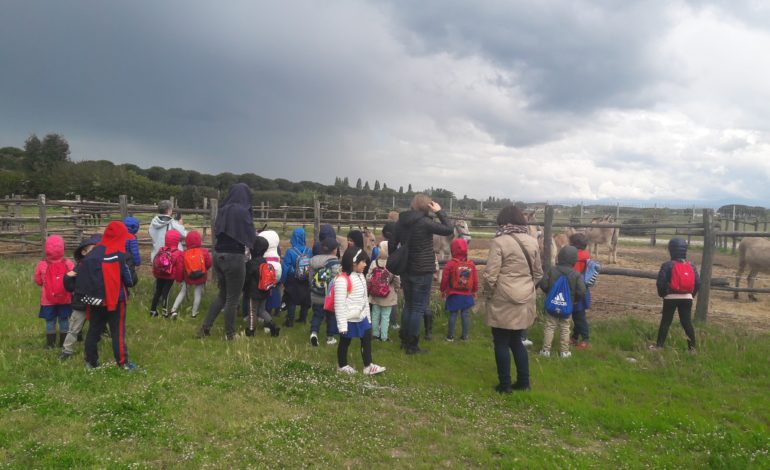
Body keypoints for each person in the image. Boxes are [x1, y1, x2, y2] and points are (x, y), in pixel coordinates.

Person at [482, 205, 543, 393]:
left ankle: (505, 384)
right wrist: (527, 287)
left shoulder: (499, 242)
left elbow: (490, 275)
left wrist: (489, 294)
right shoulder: (532, 242)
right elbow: (539, 273)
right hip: (525, 297)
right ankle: (524, 382)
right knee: (517, 341)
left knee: (500, 342)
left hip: (502, 297)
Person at [394, 194, 453, 354]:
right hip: (422, 269)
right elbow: (448, 229)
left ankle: (404, 340)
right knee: (418, 307)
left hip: (406, 268)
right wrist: (440, 212)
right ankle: (412, 346)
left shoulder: (401, 221)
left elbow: (393, 243)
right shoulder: (425, 222)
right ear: (428, 206)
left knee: (409, 305)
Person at [198, 183, 257, 340]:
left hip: (218, 255)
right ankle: (230, 335)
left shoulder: (223, 210)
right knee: (233, 298)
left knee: (223, 295)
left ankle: (205, 327)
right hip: (234, 257)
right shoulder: (243, 212)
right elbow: (250, 237)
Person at [77, 221, 137, 369]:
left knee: (94, 330)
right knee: (118, 332)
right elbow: (129, 280)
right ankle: (123, 363)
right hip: (117, 299)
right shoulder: (119, 255)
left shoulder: (92, 254)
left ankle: (91, 362)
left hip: (95, 300)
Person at [334, 247, 386, 375]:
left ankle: (368, 365)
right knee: (345, 341)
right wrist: (342, 325)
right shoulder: (342, 280)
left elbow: (364, 299)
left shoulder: (361, 277)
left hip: (361, 317)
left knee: (366, 338)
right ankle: (342, 365)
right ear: (353, 262)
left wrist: (367, 317)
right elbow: (339, 305)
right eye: (362, 261)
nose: (365, 264)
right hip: (349, 318)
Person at [652, 238, 700, 352]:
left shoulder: (667, 265)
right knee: (687, 323)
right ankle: (692, 349)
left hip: (670, 297)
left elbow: (660, 283)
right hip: (687, 298)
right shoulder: (692, 265)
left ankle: (659, 346)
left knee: (665, 322)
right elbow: (698, 283)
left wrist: (663, 294)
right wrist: (691, 295)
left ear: (671, 250)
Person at [539, 246, 586, 359]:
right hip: (567, 306)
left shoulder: (552, 270)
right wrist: (575, 300)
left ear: (559, 257)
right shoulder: (576, 275)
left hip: (552, 304)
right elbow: (582, 290)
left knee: (550, 326)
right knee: (565, 327)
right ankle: (564, 352)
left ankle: (546, 350)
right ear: (574, 260)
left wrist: (549, 293)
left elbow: (543, 284)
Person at [60, 234, 101, 361]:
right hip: (80, 303)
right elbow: (70, 286)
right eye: (92, 250)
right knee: (74, 327)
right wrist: (68, 277)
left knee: (96, 327)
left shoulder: (100, 266)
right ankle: (67, 350)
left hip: (95, 302)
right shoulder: (80, 266)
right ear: (83, 252)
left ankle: (92, 348)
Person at [33, 235, 75, 349]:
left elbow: (37, 280)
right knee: (64, 320)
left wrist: (45, 284)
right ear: (62, 248)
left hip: (47, 300)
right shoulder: (68, 263)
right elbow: (74, 278)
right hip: (65, 298)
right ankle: (63, 343)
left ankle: (50, 344)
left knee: (50, 321)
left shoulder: (42, 264)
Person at [439, 238, 478, 342]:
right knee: (465, 314)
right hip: (467, 294)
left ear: (453, 249)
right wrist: (474, 291)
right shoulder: (471, 264)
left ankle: (450, 337)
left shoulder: (450, 264)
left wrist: (443, 290)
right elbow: (475, 280)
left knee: (453, 314)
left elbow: (444, 279)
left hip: (453, 293)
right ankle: (465, 337)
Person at [243, 235, 281, 337]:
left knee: (252, 311)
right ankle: (273, 326)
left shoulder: (251, 264)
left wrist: (243, 288)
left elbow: (246, 278)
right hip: (265, 290)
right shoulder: (265, 262)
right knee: (262, 310)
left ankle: (251, 330)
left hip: (254, 292)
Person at [170, 230, 212, 319]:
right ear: (199, 240)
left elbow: (180, 268)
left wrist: (179, 279)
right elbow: (208, 263)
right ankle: (194, 314)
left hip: (188, 277)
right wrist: (203, 271)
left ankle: (173, 310)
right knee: (197, 294)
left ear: (187, 241)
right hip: (200, 276)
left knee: (182, 292)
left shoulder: (184, 253)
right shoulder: (204, 251)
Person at [308, 237, 341, 346]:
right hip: (329, 296)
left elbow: (311, 277)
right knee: (331, 316)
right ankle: (330, 337)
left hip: (316, 293)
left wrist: (313, 288)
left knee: (317, 315)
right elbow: (337, 279)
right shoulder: (334, 261)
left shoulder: (313, 259)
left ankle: (314, 333)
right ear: (334, 250)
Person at [367, 241, 400, 342]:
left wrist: (370, 286)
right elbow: (397, 279)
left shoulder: (374, 263)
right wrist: (397, 288)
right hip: (388, 294)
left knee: (375, 314)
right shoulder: (393, 263)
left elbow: (368, 277)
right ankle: (384, 337)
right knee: (385, 316)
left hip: (375, 293)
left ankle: (375, 334)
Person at [150, 229, 184, 318]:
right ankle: (165, 312)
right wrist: (179, 278)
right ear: (177, 240)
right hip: (170, 276)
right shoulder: (178, 253)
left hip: (160, 274)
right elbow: (180, 268)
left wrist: (155, 273)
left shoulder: (161, 250)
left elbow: (156, 262)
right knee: (166, 293)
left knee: (158, 291)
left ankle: (153, 310)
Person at [281, 227, 312, 327]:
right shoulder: (309, 251)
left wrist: (283, 280)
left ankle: (290, 320)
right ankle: (303, 318)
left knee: (291, 300)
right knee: (305, 299)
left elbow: (286, 267)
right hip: (306, 278)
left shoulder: (290, 252)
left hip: (293, 280)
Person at [569, 233, 592, 349]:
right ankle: (574, 337)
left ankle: (585, 339)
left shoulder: (575, 257)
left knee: (579, 316)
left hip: (576, 290)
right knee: (577, 314)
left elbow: (572, 273)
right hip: (583, 289)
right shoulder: (585, 254)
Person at [260, 230, 284, 320]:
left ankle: (264, 315)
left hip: (265, 275)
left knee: (264, 296)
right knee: (273, 293)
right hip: (276, 274)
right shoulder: (276, 250)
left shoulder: (262, 250)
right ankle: (275, 310)